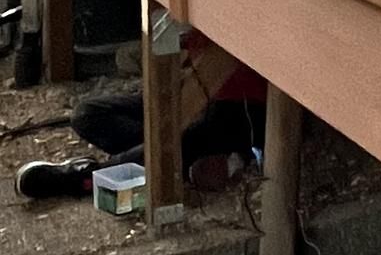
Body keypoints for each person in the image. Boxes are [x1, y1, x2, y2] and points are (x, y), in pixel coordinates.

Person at [14, 32, 266, 200]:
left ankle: (84, 180)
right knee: (87, 114)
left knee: (191, 133)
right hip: (191, 89)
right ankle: (167, 159)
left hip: (240, 104)